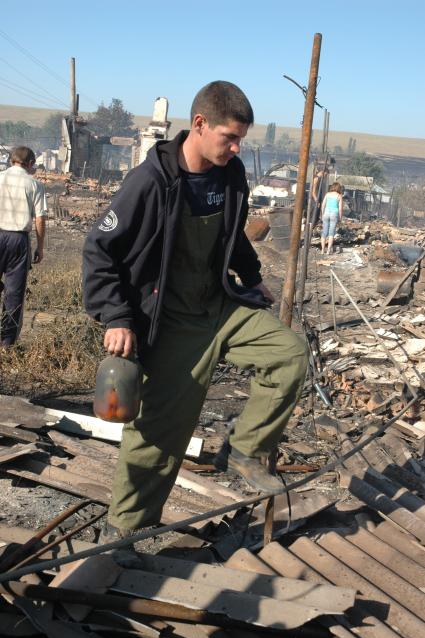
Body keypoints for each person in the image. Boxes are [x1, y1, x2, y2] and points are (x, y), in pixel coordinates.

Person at [83, 81, 308, 542]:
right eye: (230, 137)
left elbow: (234, 233)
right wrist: (117, 317)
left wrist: (251, 275)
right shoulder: (149, 182)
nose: (236, 147)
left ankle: (244, 450)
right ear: (200, 124)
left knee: (289, 355)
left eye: (241, 138)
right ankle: (122, 533)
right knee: (157, 436)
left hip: (221, 303)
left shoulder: (230, 174)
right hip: (171, 320)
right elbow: (99, 250)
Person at [0, 146, 47, 346]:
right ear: (30, 164)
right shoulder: (34, 184)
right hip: (18, 240)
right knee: (14, 293)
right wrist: (40, 247)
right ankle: (6, 343)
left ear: (12, 161)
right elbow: (40, 219)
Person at [320, 182, 343, 254]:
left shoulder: (327, 194)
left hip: (326, 213)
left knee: (324, 232)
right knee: (331, 233)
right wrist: (340, 218)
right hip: (334, 214)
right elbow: (340, 209)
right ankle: (328, 250)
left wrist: (322, 214)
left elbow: (323, 205)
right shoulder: (339, 196)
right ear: (338, 188)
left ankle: (323, 250)